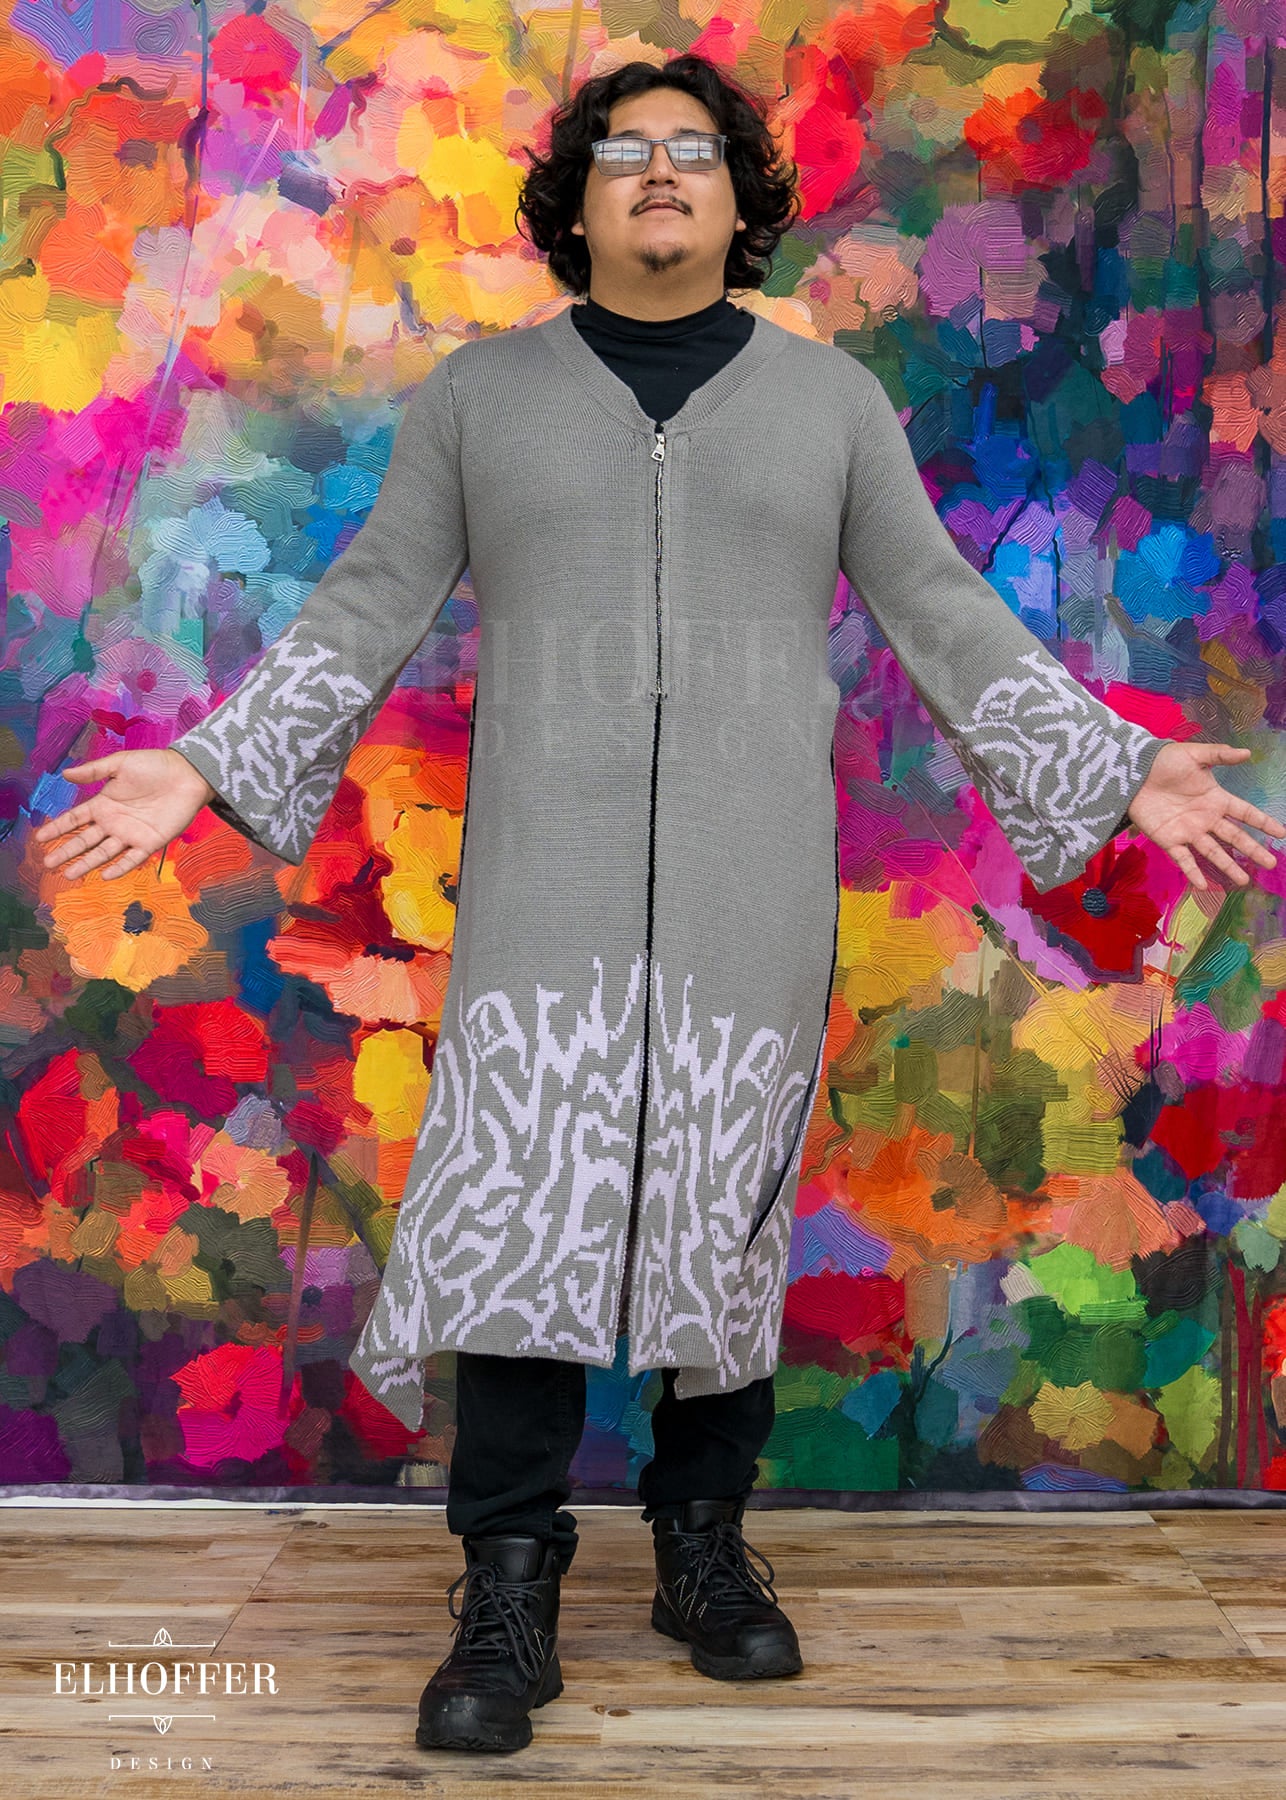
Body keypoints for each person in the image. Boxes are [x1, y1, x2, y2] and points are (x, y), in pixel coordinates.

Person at [32, 53, 1285, 1760]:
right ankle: (506, 1581)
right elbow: (365, 603)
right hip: (541, 885)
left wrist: (1117, 766)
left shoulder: (825, 403)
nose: (661, 171)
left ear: (739, 194)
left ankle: (704, 1544)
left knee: (722, 1196)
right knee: (521, 1198)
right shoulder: (482, 398)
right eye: (625, 151)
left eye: (694, 149)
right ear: (580, 197)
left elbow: (939, 604)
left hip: (747, 882)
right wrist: (204, 766)